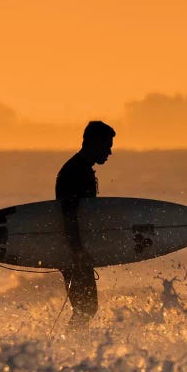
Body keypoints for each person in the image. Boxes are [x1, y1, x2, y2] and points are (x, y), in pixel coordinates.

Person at [55, 121, 115, 332]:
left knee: (86, 308)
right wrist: (77, 251)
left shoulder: (82, 169)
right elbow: (69, 215)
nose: (109, 151)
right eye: (107, 145)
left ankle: (74, 347)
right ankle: (70, 348)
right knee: (86, 308)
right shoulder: (75, 172)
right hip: (73, 251)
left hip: (75, 249)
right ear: (94, 143)